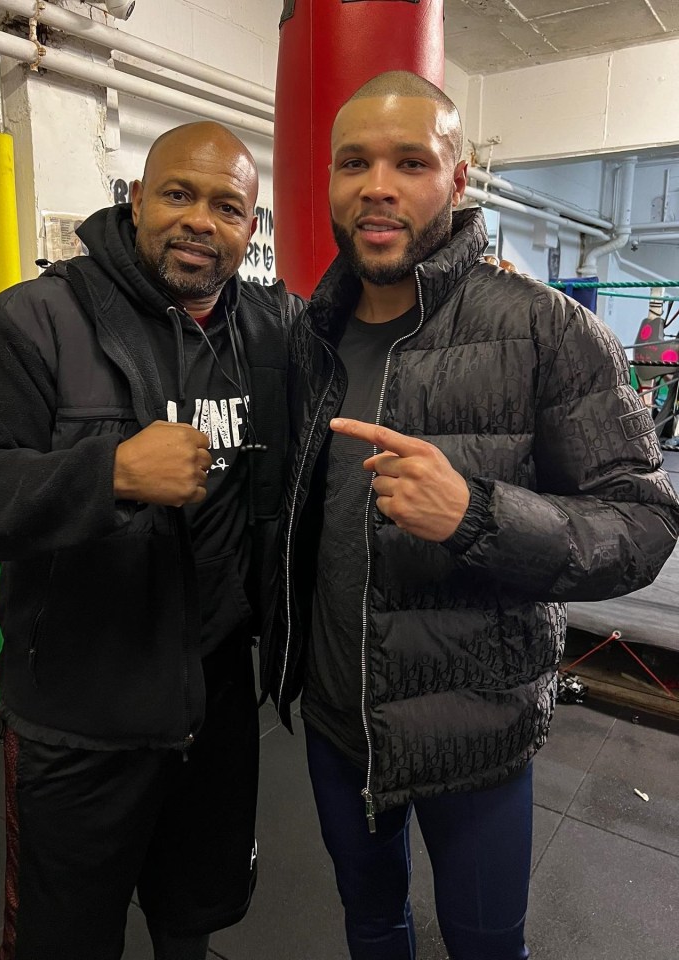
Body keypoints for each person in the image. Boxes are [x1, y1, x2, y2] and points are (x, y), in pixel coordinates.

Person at [261, 71, 679, 960]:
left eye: (410, 161)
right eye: (353, 162)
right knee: (372, 929)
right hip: (340, 721)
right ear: (329, 182)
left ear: (456, 182)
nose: (377, 184)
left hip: (476, 731)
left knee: (488, 948)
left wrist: (477, 514)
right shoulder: (309, 338)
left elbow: (643, 525)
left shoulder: (546, 329)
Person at [0, 121, 299, 960]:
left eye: (227, 206)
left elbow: (362, 329)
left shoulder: (268, 330)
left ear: (251, 228)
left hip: (218, 705)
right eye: (178, 194)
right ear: (134, 200)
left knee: (192, 917)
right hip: (80, 715)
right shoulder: (31, 323)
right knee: (64, 940)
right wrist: (107, 474)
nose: (201, 219)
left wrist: (459, 286)